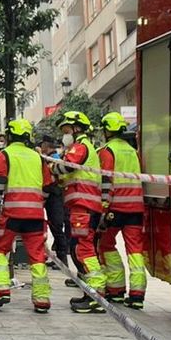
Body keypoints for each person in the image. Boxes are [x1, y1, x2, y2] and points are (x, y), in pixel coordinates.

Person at [0, 119, 53, 313]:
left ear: (9, 136)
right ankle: (42, 300)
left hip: (12, 214)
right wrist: (39, 203)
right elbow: (48, 186)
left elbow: (0, 182)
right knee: (37, 256)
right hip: (35, 215)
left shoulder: (4, 154)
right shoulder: (37, 157)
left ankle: (1, 292)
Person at [97, 111, 148, 309]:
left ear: (107, 130)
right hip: (136, 207)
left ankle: (116, 290)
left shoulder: (107, 151)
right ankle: (137, 295)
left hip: (115, 207)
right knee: (135, 250)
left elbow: (107, 182)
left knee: (106, 245)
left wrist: (103, 209)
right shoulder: (133, 151)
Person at [57, 110, 106, 314]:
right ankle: (90, 292)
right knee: (78, 246)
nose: (65, 134)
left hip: (83, 205)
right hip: (83, 205)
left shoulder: (80, 147)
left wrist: (52, 168)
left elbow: (67, 168)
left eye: (67, 130)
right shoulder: (84, 146)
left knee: (82, 248)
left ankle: (96, 294)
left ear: (76, 129)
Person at [38, 135, 72, 272]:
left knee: (57, 226)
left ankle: (63, 261)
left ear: (47, 146)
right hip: (50, 194)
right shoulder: (47, 158)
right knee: (54, 227)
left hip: (55, 195)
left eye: (43, 146)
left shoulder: (54, 159)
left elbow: (56, 178)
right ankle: (59, 259)